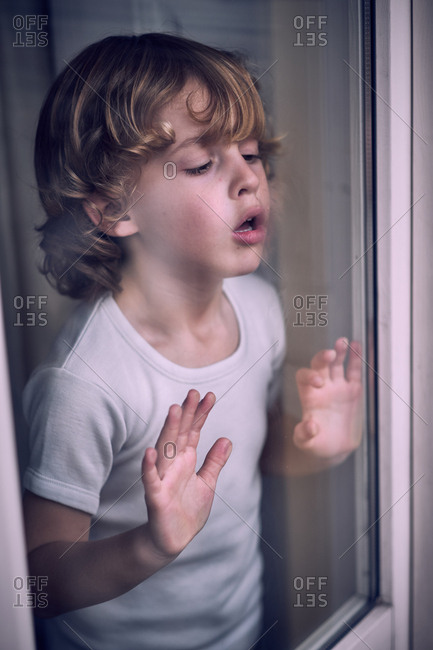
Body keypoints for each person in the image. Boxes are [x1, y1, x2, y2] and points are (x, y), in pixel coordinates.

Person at [22, 33, 362, 650]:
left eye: (253, 154)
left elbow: (248, 458)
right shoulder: (84, 383)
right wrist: (152, 543)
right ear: (114, 211)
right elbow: (39, 578)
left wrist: (318, 443)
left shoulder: (258, 309)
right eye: (203, 164)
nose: (247, 179)